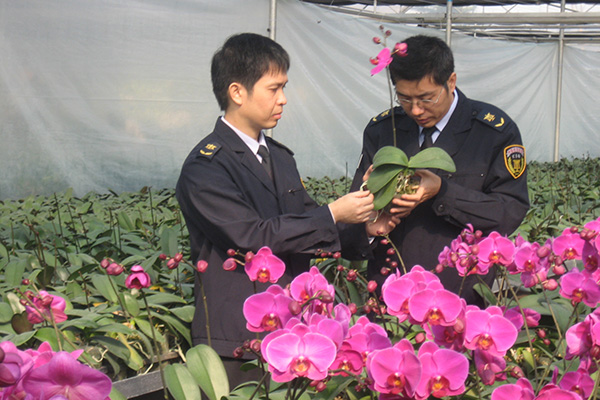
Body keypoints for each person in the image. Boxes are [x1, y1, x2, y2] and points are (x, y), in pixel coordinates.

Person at [175, 32, 397, 388]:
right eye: (274, 88)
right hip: (236, 339)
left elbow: (304, 225)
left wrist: (366, 226)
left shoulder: (279, 157)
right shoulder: (206, 168)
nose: (284, 99)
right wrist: (333, 213)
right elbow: (251, 237)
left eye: (284, 87)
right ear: (237, 92)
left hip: (294, 332)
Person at [343, 35, 529, 305]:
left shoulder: (493, 132)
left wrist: (443, 193)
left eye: (427, 98)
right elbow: (354, 214)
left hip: (460, 296)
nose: (416, 110)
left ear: (450, 82)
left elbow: (509, 212)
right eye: (405, 99)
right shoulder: (384, 131)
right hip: (392, 296)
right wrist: (373, 209)